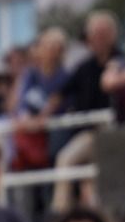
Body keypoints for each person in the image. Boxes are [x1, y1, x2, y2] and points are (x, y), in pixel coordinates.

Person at [48, 11, 120, 211]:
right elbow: (59, 94)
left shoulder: (122, 61)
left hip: (116, 133)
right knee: (66, 160)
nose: (98, 39)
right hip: (89, 134)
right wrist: (40, 116)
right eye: (95, 34)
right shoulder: (84, 67)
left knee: (93, 178)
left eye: (103, 34)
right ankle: (60, 214)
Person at [14, 28, 69, 173]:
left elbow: (60, 104)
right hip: (30, 130)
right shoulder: (31, 74)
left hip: (52, 130)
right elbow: (22, 103)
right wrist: (27, 119)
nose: (51, 53)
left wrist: (42, 119)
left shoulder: (65, 77)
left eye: (56, 49)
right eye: (48, 47)